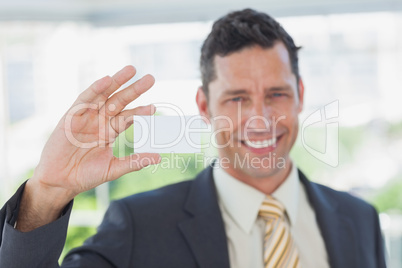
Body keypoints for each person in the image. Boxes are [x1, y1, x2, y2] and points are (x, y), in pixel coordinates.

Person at [0, 8, 386, 268]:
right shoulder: (139, 225)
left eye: (277, 94)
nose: (260, 119)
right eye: (237, 98)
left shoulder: (360, 220)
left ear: (300, 94)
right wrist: (46, 194)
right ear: (204, 106)